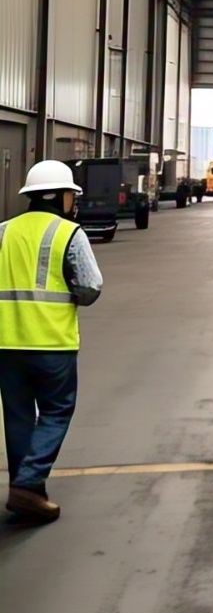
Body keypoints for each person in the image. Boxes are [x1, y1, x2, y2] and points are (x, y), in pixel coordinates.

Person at [0, 159, 103, 524]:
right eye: (70, 195)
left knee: (18, 418)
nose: (73, 202)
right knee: (57, 411)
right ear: (60, 197)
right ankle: (29, 484)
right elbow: (91, 287)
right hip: (52, 343)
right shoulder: (69, 233)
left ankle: (28, 491)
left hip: (6, 343)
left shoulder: (4, 231)